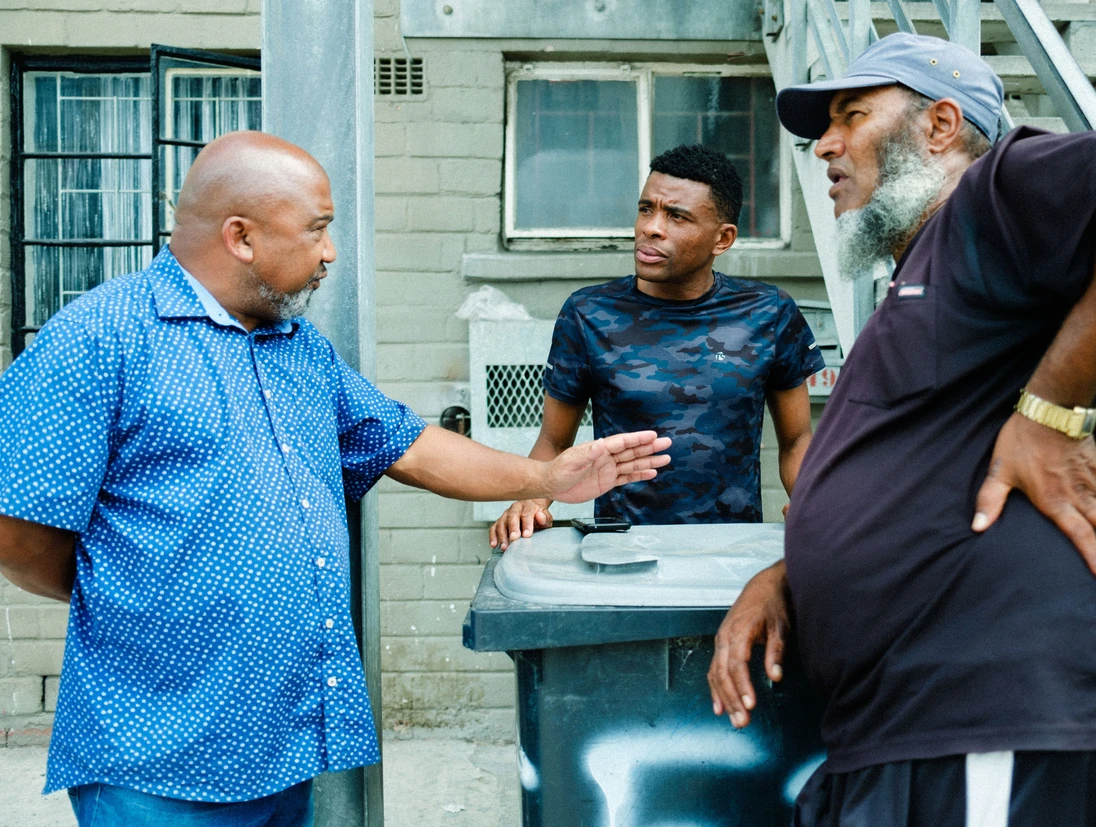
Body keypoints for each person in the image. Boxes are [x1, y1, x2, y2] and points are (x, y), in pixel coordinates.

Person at [0, 131, 670, 826]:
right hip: (155, 756)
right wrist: (135, 594)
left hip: (279, 746)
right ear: (241, 237)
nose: (331, 253)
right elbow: (20, 537)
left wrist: (545, 475)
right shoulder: (100, 337)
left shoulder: (297, 347)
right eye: (316, 230)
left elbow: (407, 445)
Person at [707, 32, 1096, 825]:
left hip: (998, 714)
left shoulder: (986, 202)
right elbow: (927, 474)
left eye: (852, 116)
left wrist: (1052, 410)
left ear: (940, 125)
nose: (824, 145)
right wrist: (792, 576)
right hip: (920, 728)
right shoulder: (928, 278)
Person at [489, 144, 826, 550]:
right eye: (646, 209)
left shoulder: (769, 312)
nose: (651, 227)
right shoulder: (588, 313)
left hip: (732, 549)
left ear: (722, 239)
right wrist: (530, 501)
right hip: (622, 549)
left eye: (676, 216)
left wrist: (812, 502)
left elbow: (797, 439)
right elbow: (554, 442)